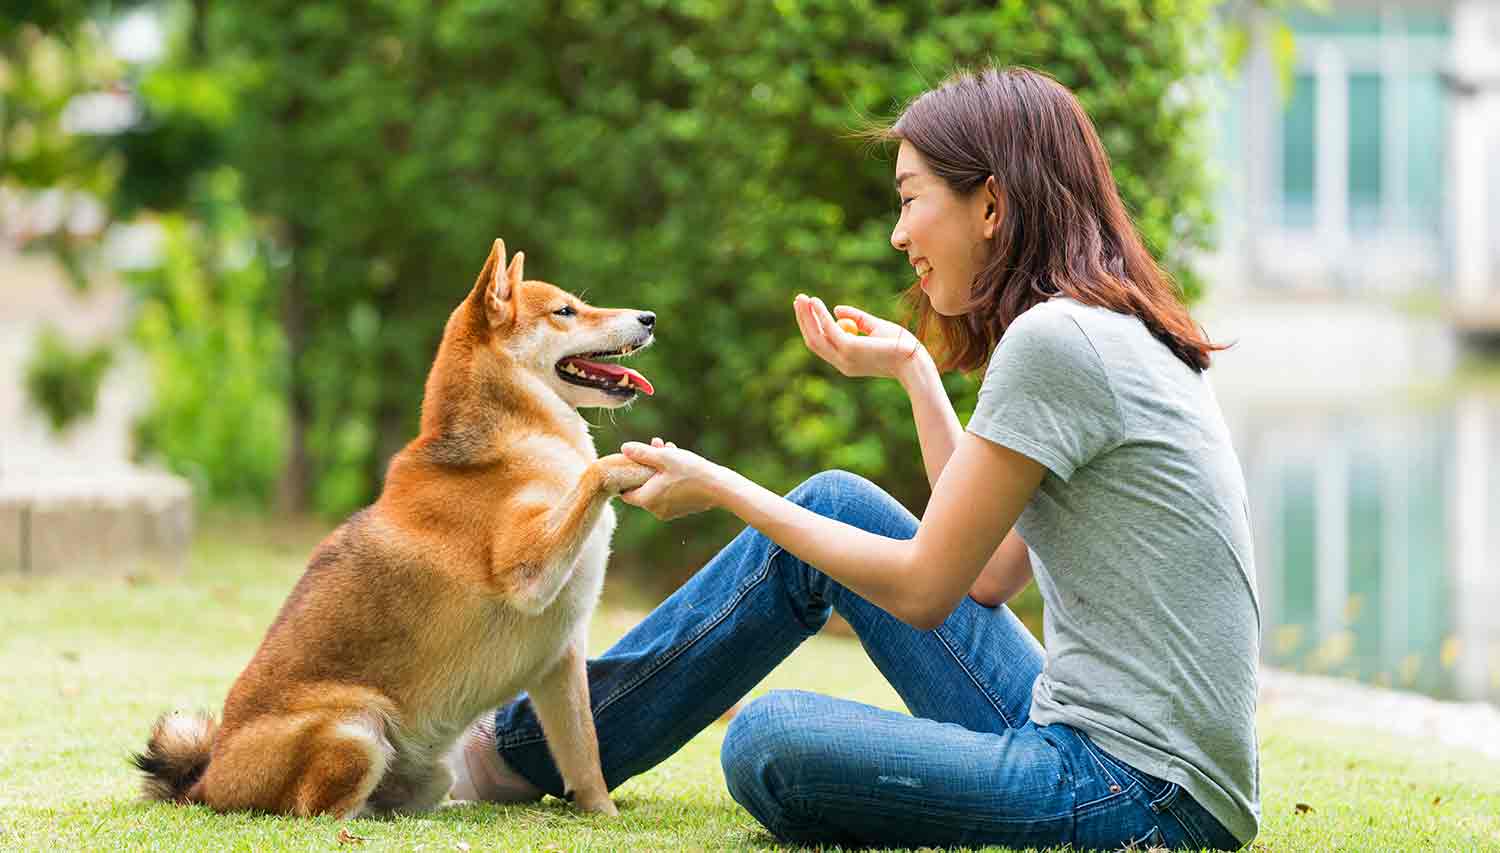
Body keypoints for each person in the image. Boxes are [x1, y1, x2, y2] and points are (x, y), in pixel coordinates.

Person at [447, 65, 1259, 851]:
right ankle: (517, 753)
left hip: (1138, 790)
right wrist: (914, 370)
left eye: (910, 200)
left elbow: (925, 587)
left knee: (773, 739)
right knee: (834, 501)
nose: (899, 232)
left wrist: (725, 488)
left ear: (992, 205)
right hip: (1132, 759)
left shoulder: (1056, 341)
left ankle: (510, 755)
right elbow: (989, 571)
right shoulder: (1101, 326)